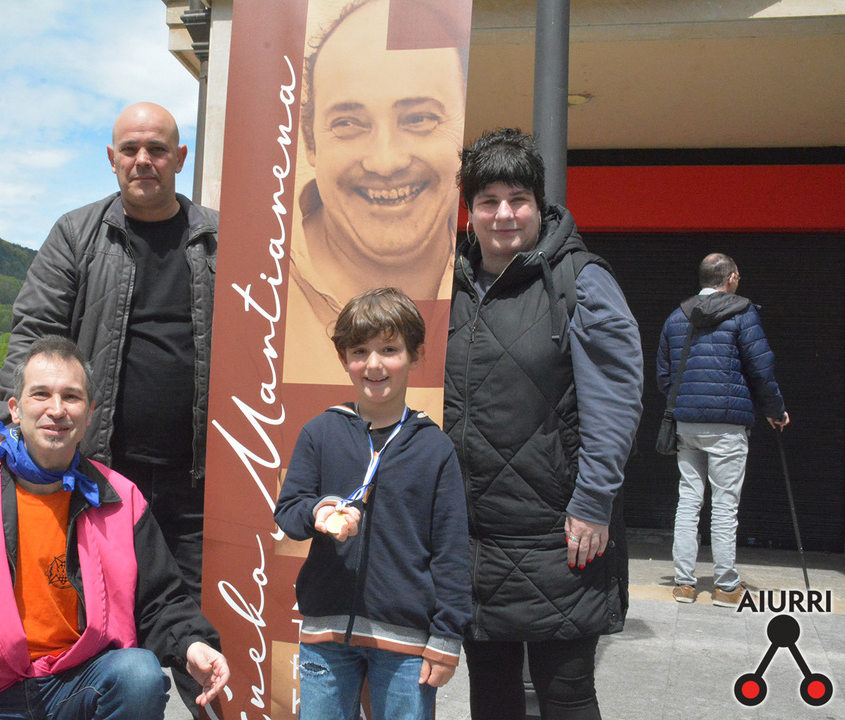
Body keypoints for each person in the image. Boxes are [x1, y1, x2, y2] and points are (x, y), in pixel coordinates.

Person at [0, 101, 218, 715]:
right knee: (99, 627)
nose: (143, 160)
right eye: (130, 149)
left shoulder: (218, 238)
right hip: (101, 479)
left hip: (199, 479)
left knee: (201, 630)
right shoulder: (77, 233)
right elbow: (34, 334)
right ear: (111, 158)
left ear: (181, 158)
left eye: (157, 149)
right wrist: (8, 425)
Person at [0, 336, 229, 720]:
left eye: (72, 397)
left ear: (90, 412)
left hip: (77, 683)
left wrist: (192, 644)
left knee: (139, 675)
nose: (56, 410)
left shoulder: (121, 499)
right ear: (15, 408)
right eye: (40, 394)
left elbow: (161, 599)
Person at [444, 129, 643, 720]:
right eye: (488, 201)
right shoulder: (449, 282)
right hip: (474, 536)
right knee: (492, 695)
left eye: (518, 199)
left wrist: (594, 500)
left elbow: (615, 400)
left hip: (560, 534)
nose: (504, 214)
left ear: (539, 203)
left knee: (566, 695)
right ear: (470, 210)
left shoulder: (580, 279)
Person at [275, 287, 471, 720]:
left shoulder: (434, 447)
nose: (374, 364)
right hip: (326, 633)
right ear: (343, 357)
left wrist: (446, 637)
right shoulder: (320, 432)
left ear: (416, 356)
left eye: (389, 349)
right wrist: (318, 511)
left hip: (406, 642)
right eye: (360, 351)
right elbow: (288, 511)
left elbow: (452, 550)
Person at [284, 0, 468, 384]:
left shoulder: (491, 283)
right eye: (349, 123)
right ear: (310, 142)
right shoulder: (254, 290)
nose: (385, 162)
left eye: (419, 118)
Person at [657, 253, 789, 608]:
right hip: (727, 425)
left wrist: (685, 403)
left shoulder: (676, 317)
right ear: (730, 278)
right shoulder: (743, 315)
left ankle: (684, 584)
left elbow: (664, 375)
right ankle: (726, 587)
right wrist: (775, 411)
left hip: (687, 425)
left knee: (688, 501)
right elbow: (761, 369)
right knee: (724, 506)